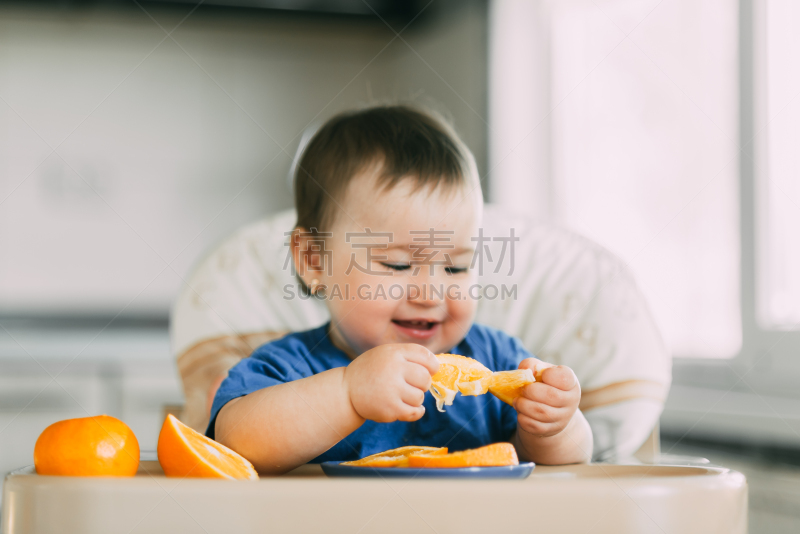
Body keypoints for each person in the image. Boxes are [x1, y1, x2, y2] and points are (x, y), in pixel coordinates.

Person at [208, 105, 593, 474]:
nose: (430, 293)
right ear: (314, 261)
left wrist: (555, 426)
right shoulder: (290, 368)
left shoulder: (497, 359)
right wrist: (348, 393)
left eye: (455, 266)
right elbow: (235, 445)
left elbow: (562, 465)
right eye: (398, 265)